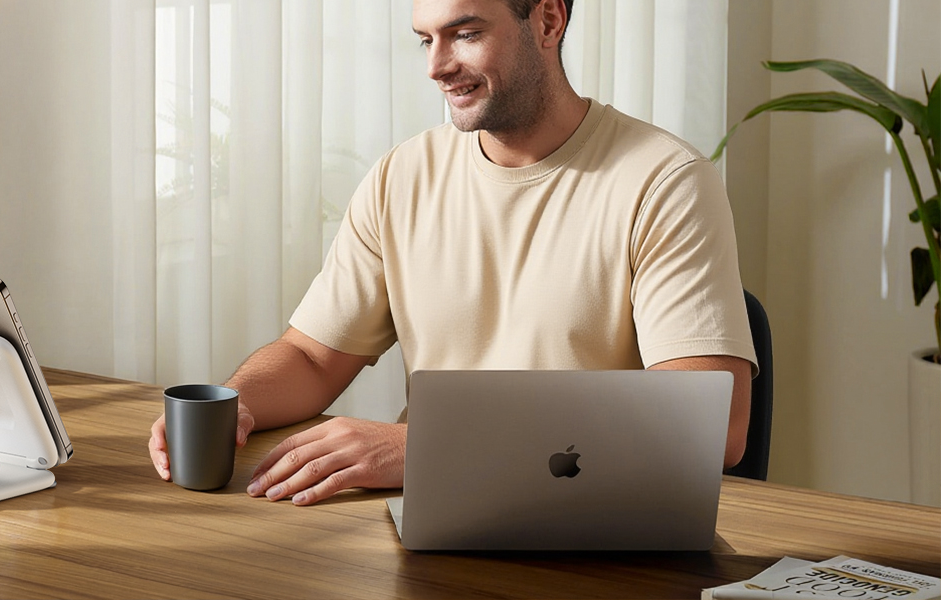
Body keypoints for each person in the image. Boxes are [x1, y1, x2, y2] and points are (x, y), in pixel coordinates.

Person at [147, 0, 757, 507]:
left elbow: (711, 427)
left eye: (464, 34)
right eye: (424, 40)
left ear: (547, 21)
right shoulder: (402, 176)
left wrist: (434, 445)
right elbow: (310, 357)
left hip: (589, 520)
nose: (438, 66)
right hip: (433, 514)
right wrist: (232, 406)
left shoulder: (665, 181)